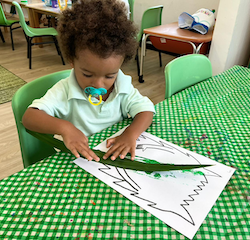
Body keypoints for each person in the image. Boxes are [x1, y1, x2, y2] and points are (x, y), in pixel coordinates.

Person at [22, 0, 155, 162]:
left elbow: (146, 111)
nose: (99, 85)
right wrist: (65, 128)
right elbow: (29, 118)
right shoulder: (64, 90)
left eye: (109, 76)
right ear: (72, 61)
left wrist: (131, 134)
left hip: (110, 156)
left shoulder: (122, 85)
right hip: (78, 158)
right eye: (87, 74)